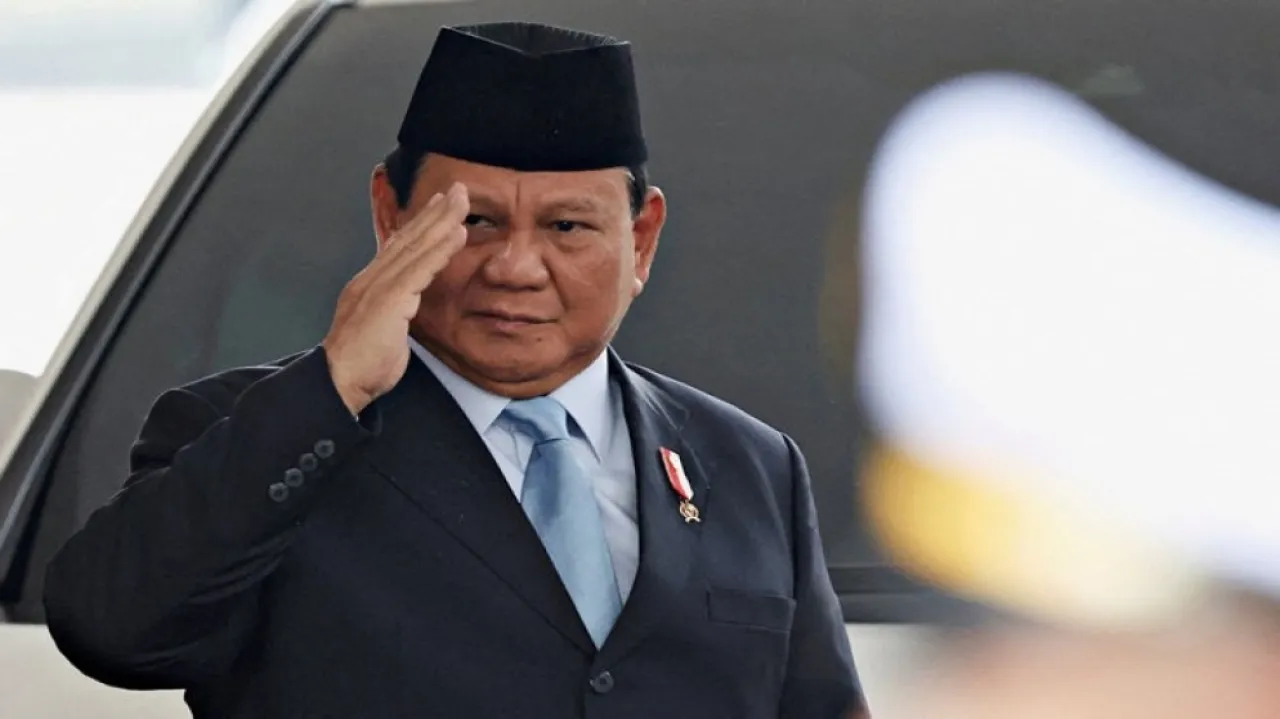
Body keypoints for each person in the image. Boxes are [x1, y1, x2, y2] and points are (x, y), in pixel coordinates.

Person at [41, 21, 864, 719]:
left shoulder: (749, 467)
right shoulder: (259, 434)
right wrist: (335, 386)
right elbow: (110, 629)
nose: (515, 268)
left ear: (641, 240)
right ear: (390, 215)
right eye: (474, 221)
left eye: (568, 227)